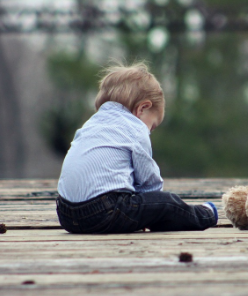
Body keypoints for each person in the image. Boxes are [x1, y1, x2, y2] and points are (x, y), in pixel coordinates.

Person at [56, 61, 218, 234]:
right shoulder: (135, 128)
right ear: (142, 108)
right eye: (152, 126)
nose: (149, 132)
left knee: (144, 207)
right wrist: (155, 206)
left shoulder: (90, 124)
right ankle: (205, 214)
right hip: (103, 212)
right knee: (168, 203)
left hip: (66, 214)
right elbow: (149, 182)